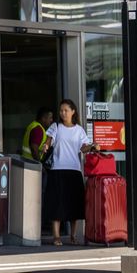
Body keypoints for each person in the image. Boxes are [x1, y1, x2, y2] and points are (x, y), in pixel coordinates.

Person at [44, 98, 96, 246]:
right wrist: (46, 146)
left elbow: (83, 148)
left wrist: (91, 146)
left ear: (73, 112)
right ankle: (56, 237)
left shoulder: (79, 130)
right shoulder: (56, 127)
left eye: (66, 110)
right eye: (61, 110)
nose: (63, 113)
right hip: (57, 170)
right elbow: (49, 140)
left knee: (74, 205)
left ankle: (73, 235)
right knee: (57, 204)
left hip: (73, 170)